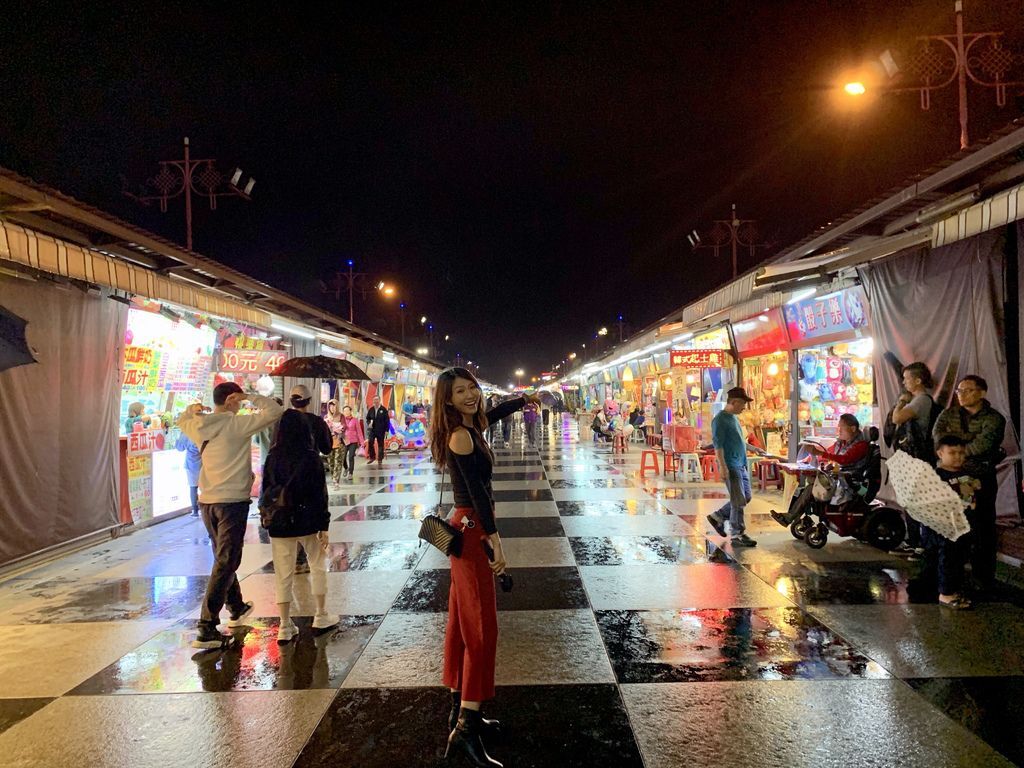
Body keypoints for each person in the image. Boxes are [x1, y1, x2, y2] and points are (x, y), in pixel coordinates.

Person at [428, 367, 539, 767]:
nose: (471, 395)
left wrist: (521, 400)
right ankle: (467, 730)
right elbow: (476, 492)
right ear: (448, 400)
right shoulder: (460, 436)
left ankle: (461, 708)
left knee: (461, 621)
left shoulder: (469, 426)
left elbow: (493, 415)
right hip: (473, 529)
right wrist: (494, 539)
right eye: (461, 391)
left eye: (473, 387)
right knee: (481, 629)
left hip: (468, 528)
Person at [177, 382, 285, 649]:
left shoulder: (198, 424)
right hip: (232, 502)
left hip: (207, 502)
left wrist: (194, 408)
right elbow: (274, 411)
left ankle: (235, 606)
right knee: (227, 559)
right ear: (231, 400)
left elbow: (182, 418)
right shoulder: (237, 425)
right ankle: (206, 627)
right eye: (237, 400)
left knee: (222, 557)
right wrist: (250, 397)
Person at [261, 409, 338, 642]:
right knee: (317, 565)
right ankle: (321, 615)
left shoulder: (272, 456)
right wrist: (324, 525)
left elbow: (266, 490)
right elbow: (319, 494)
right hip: (308, 521)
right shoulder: (310, 456)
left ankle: (284, 625)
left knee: (283, 572)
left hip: (280, 522)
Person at [933, 375, 1007, 591]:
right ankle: (949, 577)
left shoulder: (994, 419)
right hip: (948, 479)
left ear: (982, 393)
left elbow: (983, 446)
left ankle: (982, 578)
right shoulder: (949, 414)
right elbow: (938, 438)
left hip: (979, 478)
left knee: (983, 528)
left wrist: (955, 452)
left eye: (967, 390)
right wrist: (954, 451)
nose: (961, 395)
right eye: (959, 391)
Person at [770, 414, 870, 527]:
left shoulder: (861, 445)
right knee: (808, 486)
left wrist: (820, 453)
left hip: (850, 483)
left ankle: (790, 516)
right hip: (840, 478)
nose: (839, 430)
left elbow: (844, 459)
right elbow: (832, 455)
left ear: (853, 428)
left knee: (812, 488)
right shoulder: (843, 443)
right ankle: (792, 516)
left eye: (842, 427)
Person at [923, 435, 981, 609]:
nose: (958, 457)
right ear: (940, 453)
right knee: (947, 559)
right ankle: (945, 594)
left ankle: (952, 590)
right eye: (952, 452)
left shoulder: (967, 474)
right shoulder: (935, 476)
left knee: (958, 558)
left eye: (961, 453)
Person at [890, 362, 938, 554]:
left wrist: (901, 401)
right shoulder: (918, 400)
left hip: (917, 458)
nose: (904, 382)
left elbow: (897, 418)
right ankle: (915, 542)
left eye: (907, 378)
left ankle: (918, 543)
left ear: (918, 380)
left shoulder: (921, 400)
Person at [706, 387, 759, 548]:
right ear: (733, 402)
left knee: (745, 497)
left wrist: (753, 448)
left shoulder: (734, 418)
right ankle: (737, 534)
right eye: (742, 403)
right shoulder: (720, 420)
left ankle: (718, 516)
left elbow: (738, 440)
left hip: (740, 463)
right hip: (730, 465)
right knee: (738, 500)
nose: (744, 407)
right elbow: (718, 445)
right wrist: (723, 467)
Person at [289, 385, 332, 457]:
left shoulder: (283, 420)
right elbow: (326, 449)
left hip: (285, 466)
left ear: (291, 401)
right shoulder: (317, 421)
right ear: (309, 401)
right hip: (309, 464)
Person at [175, 429, 202, 516]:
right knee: (204, 487)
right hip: (204, 462)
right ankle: (204, 508)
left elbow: (180, 447)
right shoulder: (203, 429)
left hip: (192, 464)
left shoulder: (187, 432)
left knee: (193, 487)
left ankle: (195, 511)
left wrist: (177, 439)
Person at [324, 399, 346, 485]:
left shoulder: (341, 416)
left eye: (334, 406)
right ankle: (333, 477)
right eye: (330, 406)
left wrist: (338, 429)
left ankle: (336, 480)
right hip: (329, 442)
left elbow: (344, 426)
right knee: (331, 462)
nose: (332, 408)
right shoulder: (326, 417)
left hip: (339, 441)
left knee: (338, 461)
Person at [340, 404, 365, 479]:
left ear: (350, 411)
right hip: (344, 441)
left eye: (347, 410)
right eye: (344, 411)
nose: (346, 412)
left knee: (351, 457)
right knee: (343, 457)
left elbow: (359, 431)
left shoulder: (355, 420)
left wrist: (362, 443)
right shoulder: (341, 420)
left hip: (353, 441)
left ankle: (350, 473)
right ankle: (346, 468)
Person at [365, 395, 390, 468]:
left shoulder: (383, 409)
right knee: (370, 442)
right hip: (372, 430)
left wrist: (387, 430)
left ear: (379, 400)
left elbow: (387, 421)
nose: (375, 401)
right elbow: (367, 418)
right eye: (374, 400)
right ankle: (372, 457)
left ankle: (380, 459)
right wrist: (369, 423)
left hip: (381, 430)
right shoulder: (371, 409)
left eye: (377, 400)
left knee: (380, 444)